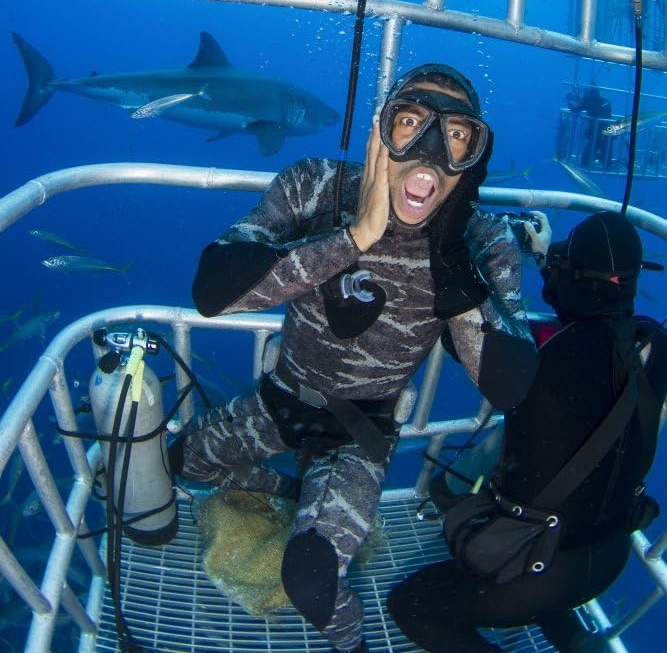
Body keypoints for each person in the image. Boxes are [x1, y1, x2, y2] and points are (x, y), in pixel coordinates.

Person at [169, 62, 538, 653]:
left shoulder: (482, 240)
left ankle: (355, 646)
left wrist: (445, 251)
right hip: (279, 398)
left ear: (475, 155)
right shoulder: (315, 186)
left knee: (309, 578)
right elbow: (213, 292)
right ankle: (294, 493)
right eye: (411, 123)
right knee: (179, 459)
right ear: (379, 133)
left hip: (359, 433)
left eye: (457, 137)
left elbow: (508, 382)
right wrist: (352, 238)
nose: (431, 151)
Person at [388, 210, 667, 653]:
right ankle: (575, 640)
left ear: (570, 277)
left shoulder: (536, 348)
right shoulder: (653, 343)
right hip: (608, 555)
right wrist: (550, 264)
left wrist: (505, 256)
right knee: (558, 538)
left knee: (411, 603)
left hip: (536, 572)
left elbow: (459, 332)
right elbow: (596, 319)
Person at [566, 86, 612, 167]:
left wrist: (569, 101)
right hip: (608, 134)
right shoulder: (606, 101)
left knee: (584, 162)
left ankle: (596, 157)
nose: (584, 95)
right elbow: (596, 109)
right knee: (607, 163)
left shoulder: (588, 102)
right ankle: (600, 157)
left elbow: (575, 109)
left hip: (596, 135)